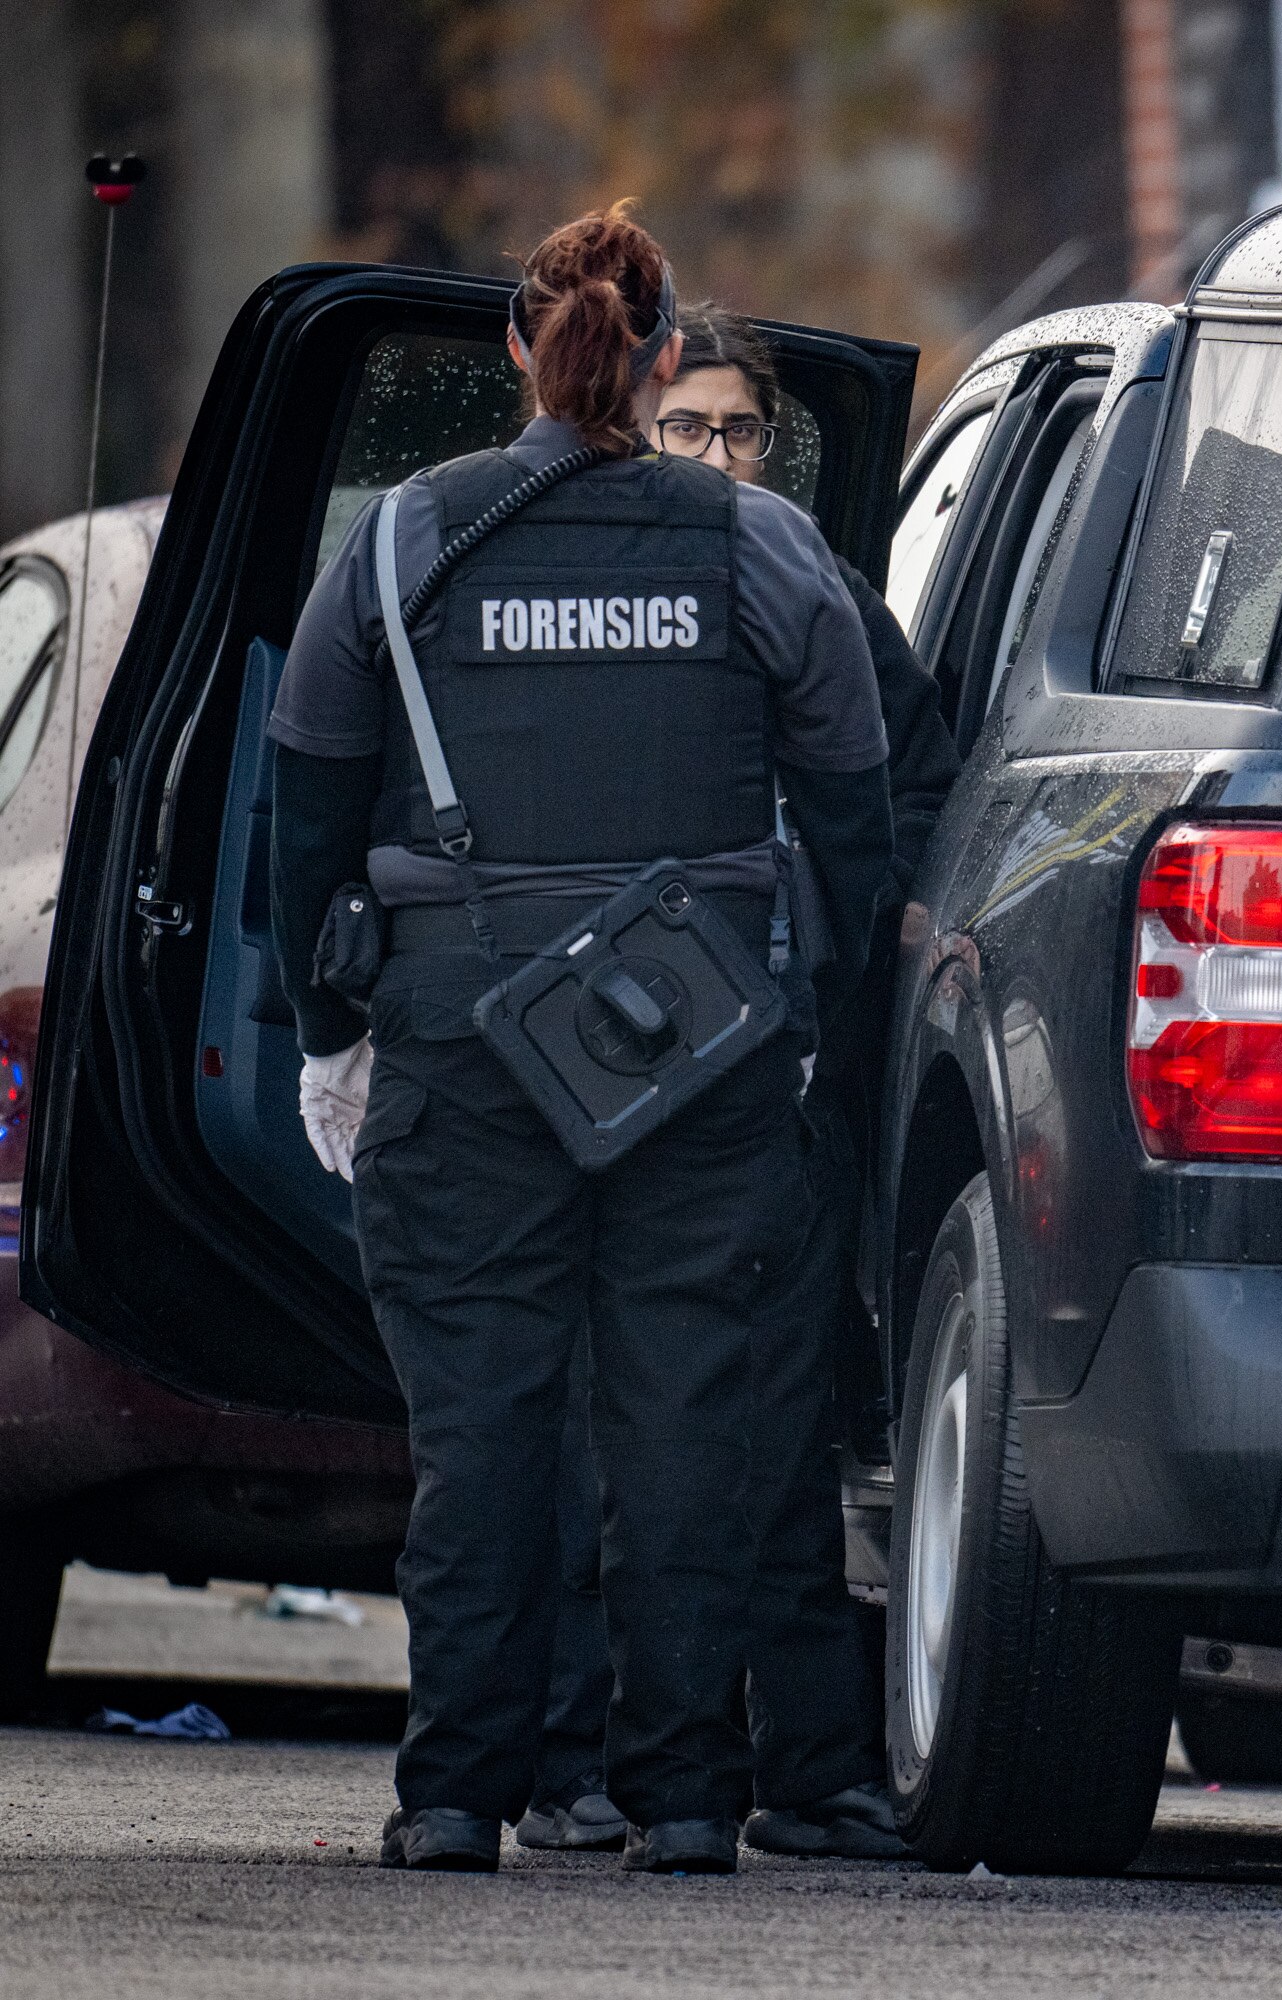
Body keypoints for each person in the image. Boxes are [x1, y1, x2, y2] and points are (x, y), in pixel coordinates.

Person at [265, 203, 894, 1875]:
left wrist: (335, 1035)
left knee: (480, 1431)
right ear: (666, 356)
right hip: (701, 1049)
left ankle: (457, 1794)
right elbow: (850, 810)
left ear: (513, 356)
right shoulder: (759, 550)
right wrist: (822, 1032)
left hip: (459, 1043)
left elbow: (304, 824)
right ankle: (687, 1798)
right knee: (686, 1422)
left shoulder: (397, 545)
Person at [517, 306, 957, 1862]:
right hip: (597, 1054)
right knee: (597, 1425)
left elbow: (909, 785)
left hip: (783, 1060)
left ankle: (813, 1769)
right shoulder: (583, 585)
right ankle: (584, 1762)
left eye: (743, 430)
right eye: (688, 426)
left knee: (771, 1420)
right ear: (636, 428)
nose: (718, 454)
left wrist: (867, 932)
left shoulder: (825, 590)